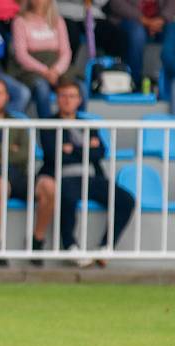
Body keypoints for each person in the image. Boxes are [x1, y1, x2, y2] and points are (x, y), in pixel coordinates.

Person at [38, 80, 135, 266]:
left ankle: (106, 247)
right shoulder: (48, 124)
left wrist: (71, 149)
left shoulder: (89, 124)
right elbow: (53, 154)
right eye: (63, 96)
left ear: (79, 100)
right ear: (57, 99)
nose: (67, 100)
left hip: (92, 177)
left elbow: (101, 152)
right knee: (66, 197)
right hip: (63, 176)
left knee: (126, 200)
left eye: (72, 96)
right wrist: (85, 150)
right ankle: (70, 246)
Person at [0, 77, 54, 266]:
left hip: (17, 174)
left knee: (49, 186)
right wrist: (9, 149)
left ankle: (37, 242)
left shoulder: (17, 122)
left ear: (7, 97)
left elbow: (25, 155)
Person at [10, 0, 73, 118]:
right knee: (41, 87)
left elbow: (66, 52)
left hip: (56, 68)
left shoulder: (58, 21)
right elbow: (21, 55)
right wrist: (44, 71)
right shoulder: (20, 21)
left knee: (78, 88)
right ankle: (47, 133)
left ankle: (77, 127)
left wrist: (56, 71)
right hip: (31, 71)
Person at [108, 0, 175, 87]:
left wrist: (161, 20)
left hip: (159, 21)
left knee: (173, 32)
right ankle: (135, 81)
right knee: (137, 33)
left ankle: (171, 82)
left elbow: (171, 4)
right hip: (129, 19)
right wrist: (145, 21)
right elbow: (116, 3)